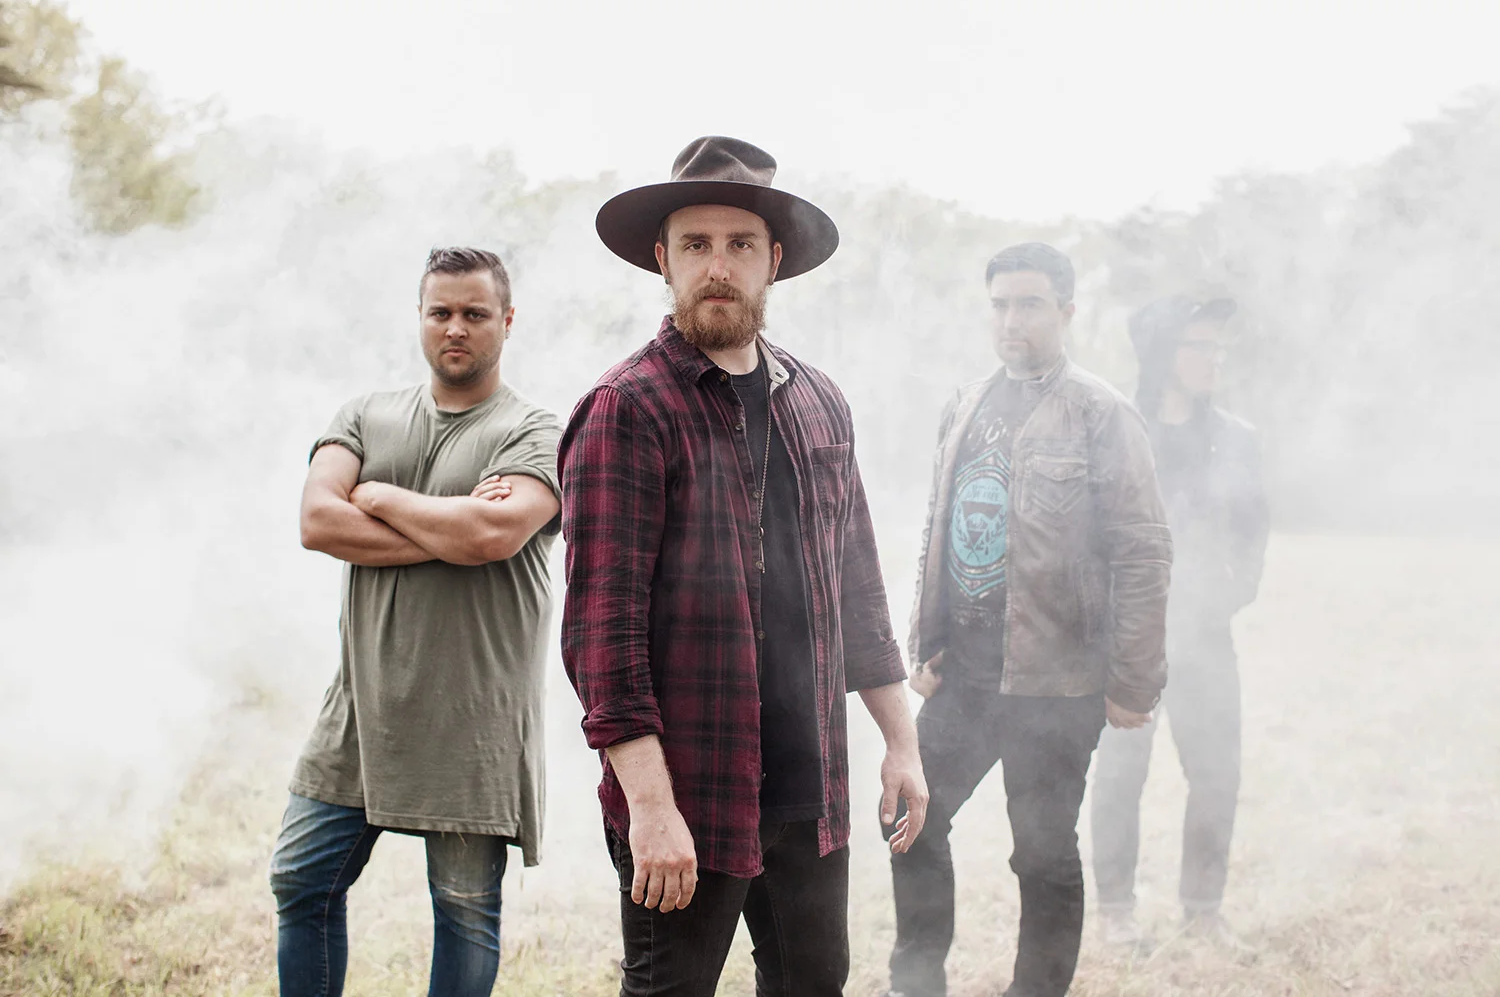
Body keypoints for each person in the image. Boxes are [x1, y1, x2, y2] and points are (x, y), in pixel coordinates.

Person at [559, 135, 929, 997]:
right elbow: (602, 638)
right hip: (693, 788)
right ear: (663, 260)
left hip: (809, 785)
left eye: (739, 244)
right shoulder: (626, 408)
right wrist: (652, 808)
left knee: (814, 984)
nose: (717, 266)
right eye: (695, 244)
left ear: (775, 260)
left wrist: (901, 743)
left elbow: (858, 589)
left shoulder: (819, 400)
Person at [268, 247, 563, 997]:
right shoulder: (364, 414)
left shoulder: (537, 431)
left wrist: (376, 497)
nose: (455, 327)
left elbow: (491, 535)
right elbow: (316, 520)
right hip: (359, 712)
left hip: (472, 722)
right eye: (441, 312)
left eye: (474, 313)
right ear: (421, 318)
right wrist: (449, 530)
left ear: (507, 320)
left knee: (463, 910)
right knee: (301, 879)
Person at [888, 242, 1173, 997]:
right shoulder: (965, 403)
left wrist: (1133, 683)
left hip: (1058, 682)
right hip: (965, 676)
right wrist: (927, 640)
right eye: (1001, 305)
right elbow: (940, 527)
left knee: (1043, 854)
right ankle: (916, 983)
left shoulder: (1102, 413)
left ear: (1067, 311)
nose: (1012, 320)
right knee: (909, 816)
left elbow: (1143, 553)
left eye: (1031, 304)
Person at [1089, 296, 1270, 948]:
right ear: (1164, 353)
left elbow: (1252, 535)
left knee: (1218, 774)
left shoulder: (1237, 439)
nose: (1216, 360)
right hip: (1125, 642)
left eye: (1221, 348)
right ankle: (1115, 911)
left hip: (1205, 637)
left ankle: (1203, 911)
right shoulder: (1116, 430)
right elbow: (1088, 534)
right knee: (1119, 775)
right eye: (1202, 347)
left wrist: (1224, 598)